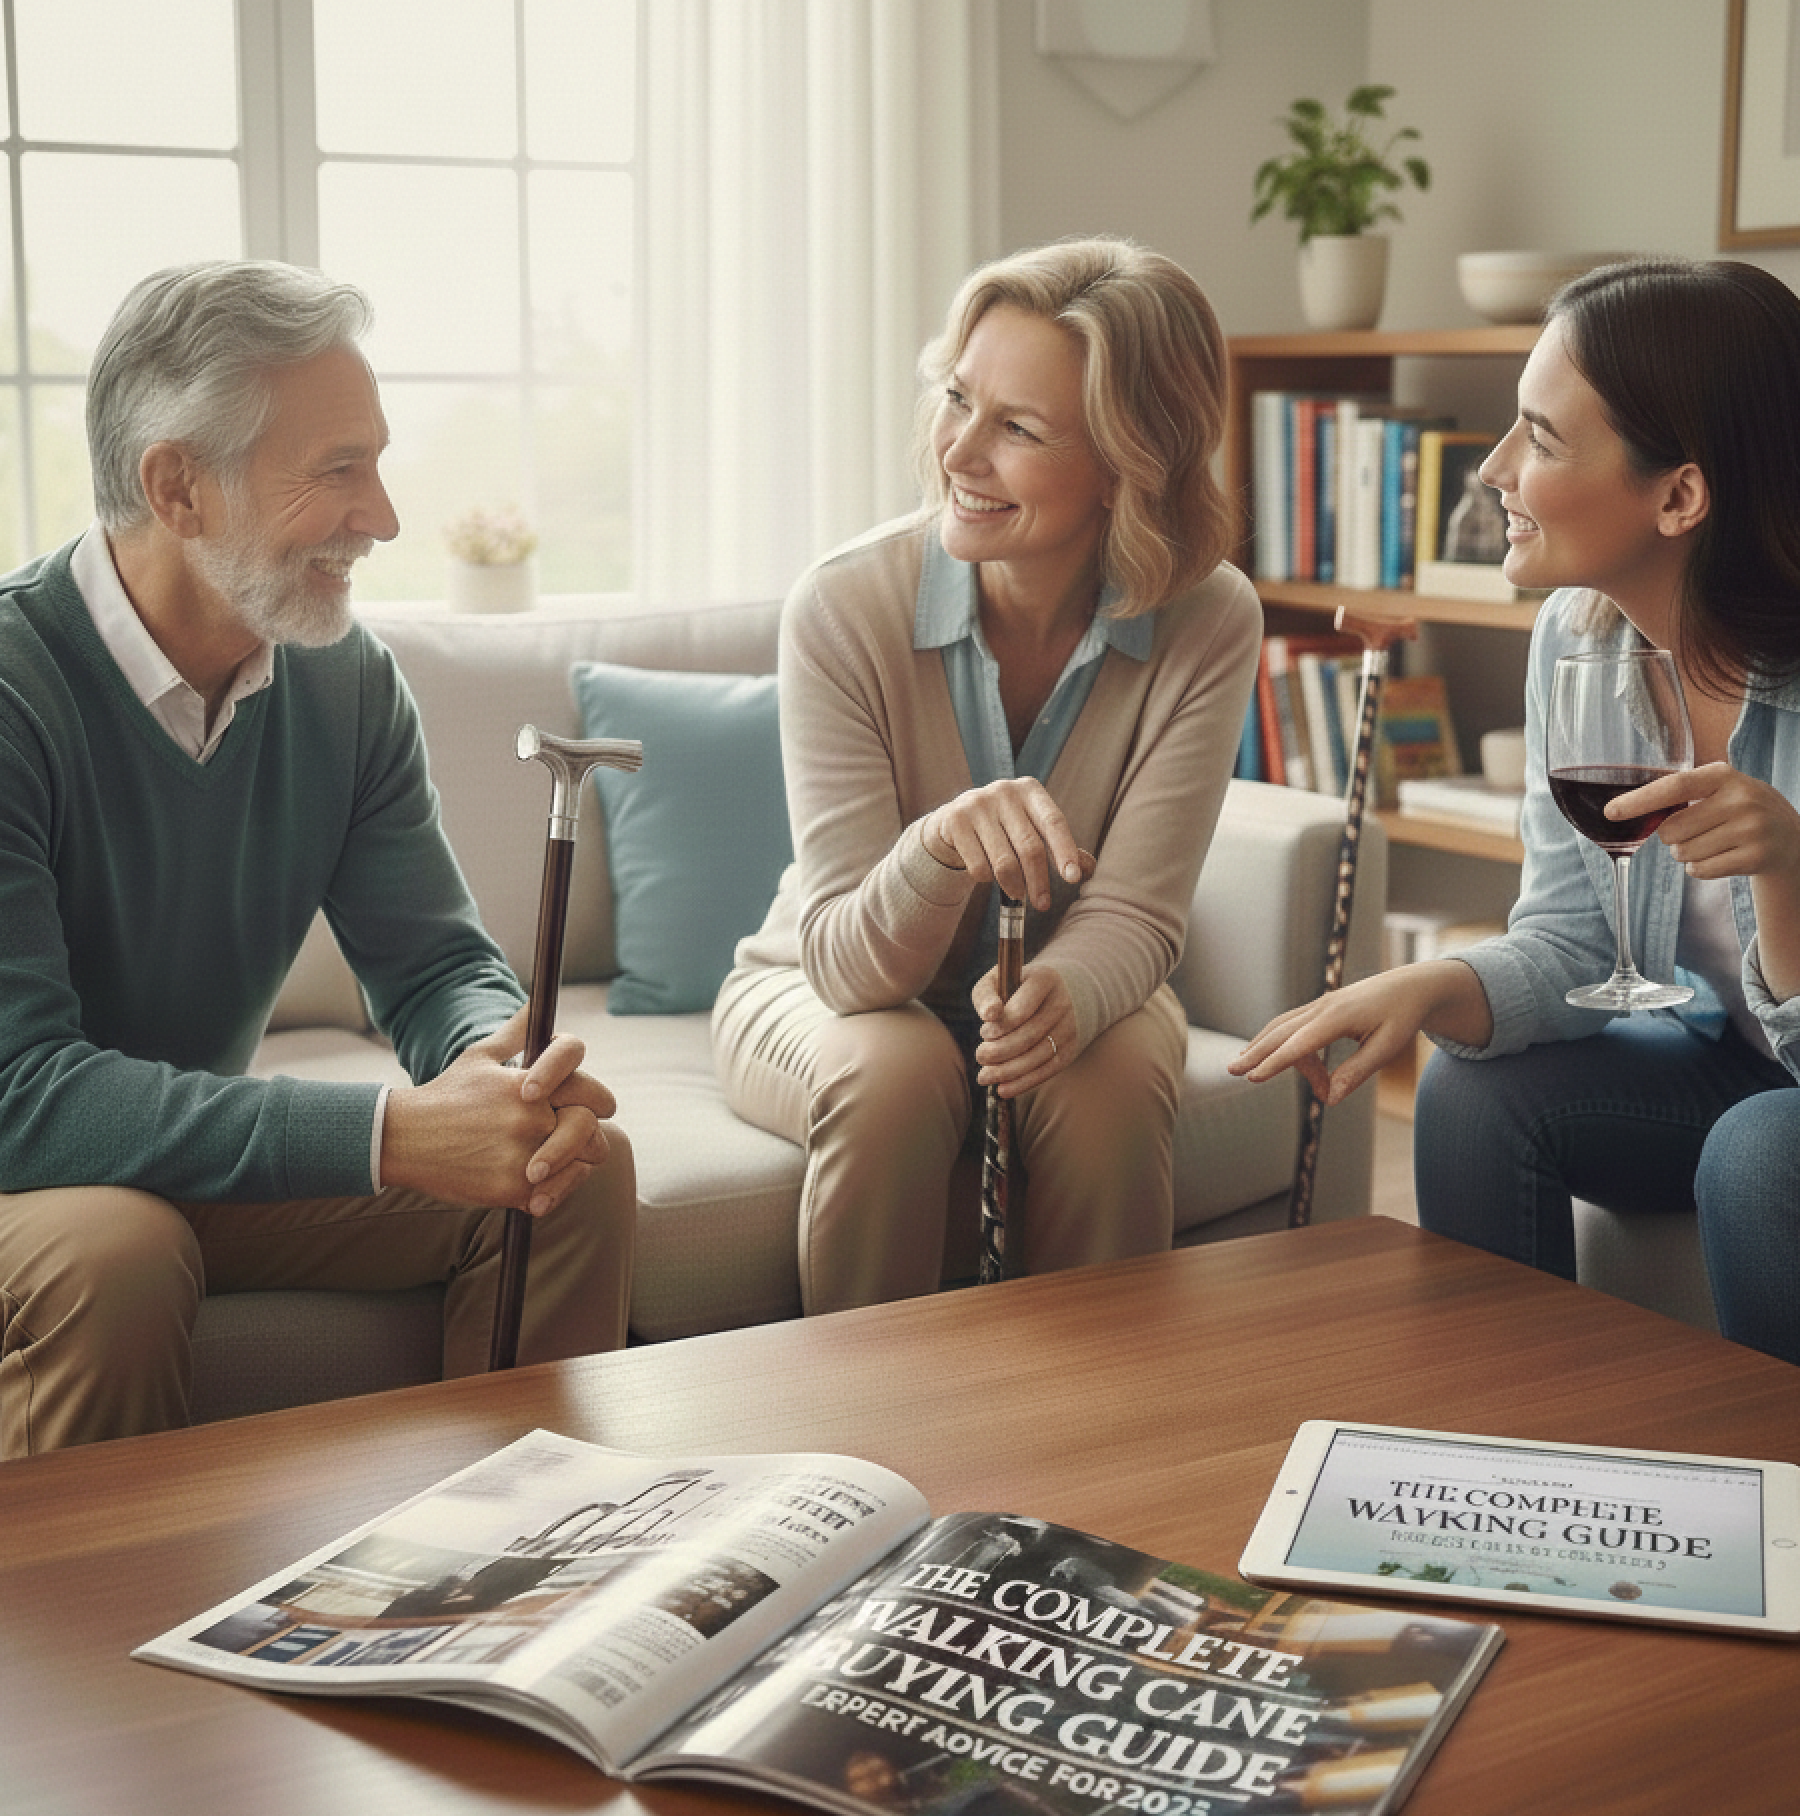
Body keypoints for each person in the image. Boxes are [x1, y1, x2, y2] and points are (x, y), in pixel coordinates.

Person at [0, 260, 636, 1457]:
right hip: (28, 1170)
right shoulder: (12, 693)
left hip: (169, 1155)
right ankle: (75, 1637)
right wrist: (390, 1135)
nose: (384, 517)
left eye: (378, 462)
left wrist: (495, 1061)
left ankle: (514, 1581)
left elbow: (437, 963)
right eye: (339, 470)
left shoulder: (342, 683)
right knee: (116, 1252)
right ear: (177, 487)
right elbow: (19, 1096)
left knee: (571, 1174)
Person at [1228, 257, 1800, 1364]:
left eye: (1540, 438)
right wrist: (1434, 982)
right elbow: (1578, 942)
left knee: (1761, 1152)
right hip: (1725, 1054)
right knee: (1470, 1090)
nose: (1495, 470)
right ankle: (1517, 1463)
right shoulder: (1580, 641)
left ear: (1679, 495)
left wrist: (1789, 874)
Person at [712, 236, 1260, 1312]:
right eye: (956, 398)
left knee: (1109, 1083)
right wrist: (936, 848)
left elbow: (1140, 916)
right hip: (821, 982)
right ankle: (862, 1446)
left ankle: (1100, 1445)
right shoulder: (843, 606)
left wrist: (1070, 992)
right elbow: (846, 970)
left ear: (1129, 465)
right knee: (896, 1075)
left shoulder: (1210, 618)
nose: (959, 451)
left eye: (1018, 428)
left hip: (1064, 980)